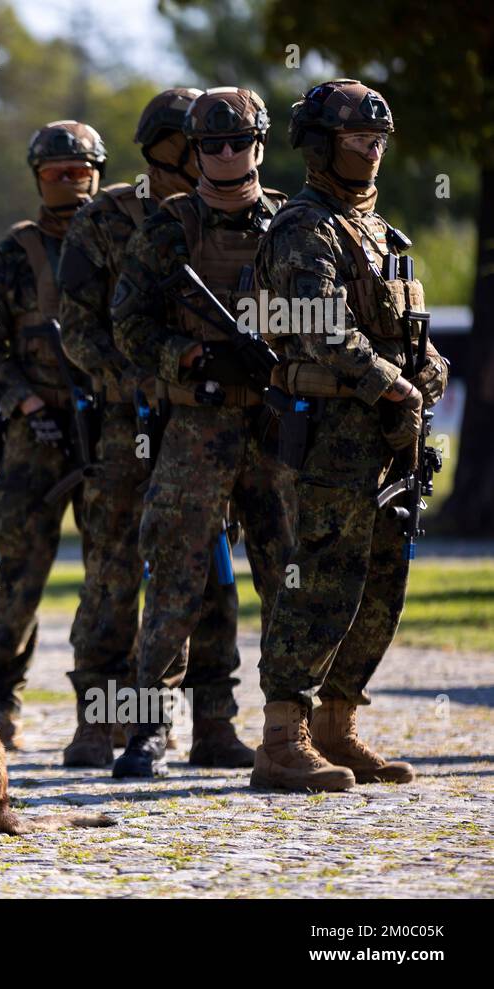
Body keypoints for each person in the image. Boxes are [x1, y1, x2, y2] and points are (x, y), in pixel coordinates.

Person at [251, 80, 448, 791]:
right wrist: (389, 383)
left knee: (382, 584)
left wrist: (425, 376)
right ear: (319, 144)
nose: (371, 150)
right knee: (322, 581)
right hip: (331, 435)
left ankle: (337, 724)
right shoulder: (305, 228)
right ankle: (282, 738)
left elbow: (414, 338)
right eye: (357, 138)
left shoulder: (385, 233)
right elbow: (318, 326)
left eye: (378, 140)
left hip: (392, 438)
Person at [58, 88, 253, 769]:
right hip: (126, 423)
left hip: (209, 420)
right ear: (161, 149)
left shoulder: (232, 212)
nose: (206, 155)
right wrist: (138, 377)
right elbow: (79, 328)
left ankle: (213, 721)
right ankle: (101, 721)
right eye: (191, 145)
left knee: (208, 576)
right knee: (112, 571)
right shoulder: (106, 218)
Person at [111, 87, 296, 778]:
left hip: (276, 420)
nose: (225, 154)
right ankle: (148, 731)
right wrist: (190, 355)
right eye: (210, 145)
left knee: (289, 573)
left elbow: (329, 312)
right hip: (197, 425)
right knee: (175, 580)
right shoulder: (170, 226)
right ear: (192, 151)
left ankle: (289, 729)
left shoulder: (290, 221)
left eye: (238, 141)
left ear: (260, 143)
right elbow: (129, 325)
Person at [0, 121, 107, 749]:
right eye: (57, 174)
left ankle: (103, 712)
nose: (71, 185)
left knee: (112, 574)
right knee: (20, 572)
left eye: (81, 173)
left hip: (109, 430)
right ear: (38, 180)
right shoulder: (10, 256)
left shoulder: (120, 245)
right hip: (38, 430)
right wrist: (22, 400)